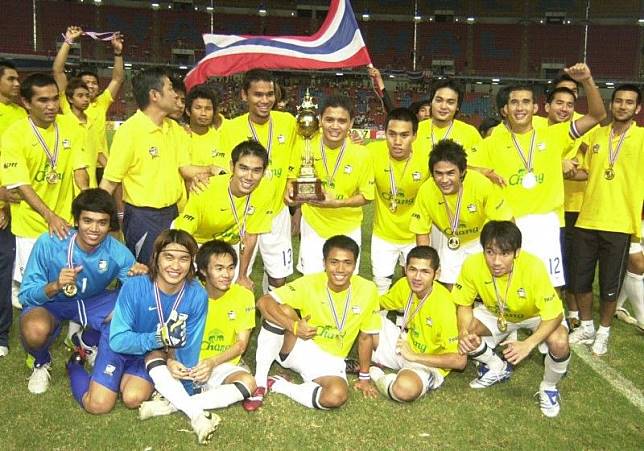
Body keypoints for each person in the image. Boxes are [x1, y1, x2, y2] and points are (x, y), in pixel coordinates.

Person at [468, 63, 606, 289]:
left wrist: (587, 80)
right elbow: (463, 170)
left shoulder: (555, 135)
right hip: (509, 221)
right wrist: (483, 171)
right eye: (514, 102)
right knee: (507, 283)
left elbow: (597, 115)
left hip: (546, 222)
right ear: (505, 109)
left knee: (549, 284)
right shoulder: (491, 143)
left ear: (535, 107)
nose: (520, 107)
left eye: (525, 102)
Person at [19, 188, 146, 394]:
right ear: (76, 220)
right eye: (87, 221)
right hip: (52, 303)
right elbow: (25, 295)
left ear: (110, 225)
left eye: (102, 222)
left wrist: (142, 279)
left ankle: (87, 340)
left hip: (92, 301)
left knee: (132, 312)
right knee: (35, 329)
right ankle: (41, 362)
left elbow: (137, 296)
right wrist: (55, 285)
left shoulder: (118, 252)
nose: (94, 229)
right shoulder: (49, 243)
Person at [107, 229, 218, 444]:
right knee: (98, 404)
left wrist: (183, 383)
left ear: (192, 263)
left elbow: (190, 344)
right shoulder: (134, 286)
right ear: (156, 257)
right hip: (122, 342)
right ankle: (77, 361)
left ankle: (195, 415)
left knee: (132, 398)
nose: (176, 266)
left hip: (156, 352)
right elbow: (118, 340)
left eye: (184, 259)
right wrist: (158, 339)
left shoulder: (197, 294)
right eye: (169, 257)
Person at [246, 235, 381, 411]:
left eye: (347, 263)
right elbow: (263, 302)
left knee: (336, 395)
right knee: (281, 310)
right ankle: (260, 381)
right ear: (324, 263)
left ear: (355, 265)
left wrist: (364, 377)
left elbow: (366, 336)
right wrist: (294, 326)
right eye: (334, 262)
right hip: (298, 344)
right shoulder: (310, 283)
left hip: (332, 360)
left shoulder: (368, 290)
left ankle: (279, 384)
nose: (340, 269)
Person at [99, 67, 218, 264]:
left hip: (172, 213)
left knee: (169, 269)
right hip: (143, 216)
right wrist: (95, 216)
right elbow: (110, 181)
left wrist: (211, 169)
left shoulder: (174, 129)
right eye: (170, 89)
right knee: (144, 270)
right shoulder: (130, 132)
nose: (176, 95)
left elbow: (185, 168)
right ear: (154, 95)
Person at [453, 221, 570, 418]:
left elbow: (555, 314)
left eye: (504, 253)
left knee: (559, 342)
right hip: (497, 312)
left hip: (535, 315)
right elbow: (463, 304)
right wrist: (463, 331)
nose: (496, 261)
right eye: (490, 252)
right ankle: (496, 366)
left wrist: (528, 344)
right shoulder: (472, 264)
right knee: (462, 331)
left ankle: (549, 387)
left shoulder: (533, 266)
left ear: (517, 252)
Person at [0, 73, 90, 313]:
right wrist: (50, 216)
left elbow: (79, 170)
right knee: (36, 290)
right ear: (26, 103)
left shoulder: (69, 126)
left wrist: (89, 201)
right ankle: (35, 330)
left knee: (71, 282)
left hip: (67, 223)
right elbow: (21, 185)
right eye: (43, 100)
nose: (51, 106)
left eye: (54, 99)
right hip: (31, 226)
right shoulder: (14, 135)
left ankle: (76, 330)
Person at [137, 240, 257, 419]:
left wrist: (212, 363)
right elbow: (173, 335)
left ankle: (173, 405)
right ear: (203, 270)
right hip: (187, 361)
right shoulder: (186, 294)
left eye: (231, 268)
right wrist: (171, 360)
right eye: (219, 268)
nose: (227, 274)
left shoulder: (244, 296)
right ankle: (186, 397)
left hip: (220, 363)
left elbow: (241, 345)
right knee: (153, 357)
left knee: (248, 383)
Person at [568, 84, 643, 355]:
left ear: (637, 108)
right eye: (618, 101)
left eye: (629, 102)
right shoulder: (597, 135)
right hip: (587, 219)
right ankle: (587, 326)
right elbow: (586, 172)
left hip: (619, 222)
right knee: (580, 281)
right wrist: (563, 170)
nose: (622, 106)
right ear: (611, 104)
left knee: (610, 285)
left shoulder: (642, 138)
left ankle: (604, 332)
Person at [219, 69, 297, 291]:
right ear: (245, 95)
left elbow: (301, 149)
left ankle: (271, 312)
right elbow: (224, 170)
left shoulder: (288, 122)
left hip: (276, 212)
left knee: (279, 278)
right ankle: (236, 311)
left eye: (270, 94)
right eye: (258, 94)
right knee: (234, 276)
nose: (265, 100)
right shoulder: (231, 128)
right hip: (242, 213)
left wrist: (291, 179)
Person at [286, 95, 375, 274]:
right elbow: (292, 178)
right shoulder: (305, 145)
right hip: (313, 226)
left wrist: (337, 203)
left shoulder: (362, 154)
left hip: (348, 228)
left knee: (342, 280)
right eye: (329, 120)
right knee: (311, 280)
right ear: (320, 120)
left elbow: (367, 196)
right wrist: (291, 193)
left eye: (342, 121)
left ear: (351, 123)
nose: (335, 126)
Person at [410, 140, 512, 289]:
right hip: (449, 240)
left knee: (487, 288)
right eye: (438, 174)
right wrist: (425, 265)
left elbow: (506, 222)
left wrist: (506, 254)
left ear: (463, 171)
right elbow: (422, 232)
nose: (444, 180)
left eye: (450, 173)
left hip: (480, 240)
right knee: (452, 290)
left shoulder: (481, 184)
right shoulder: (426, 191)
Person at [368, 246, 465, 402]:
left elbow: (460, 361)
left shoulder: (444, 306)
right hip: (404, 345)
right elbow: (376, 304)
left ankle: (379, 376)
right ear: (405, 269)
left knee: (404, 389)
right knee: (367, 318)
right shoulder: (404, 285)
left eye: (425, 272)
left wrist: (414, 356)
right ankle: (373, 364)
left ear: (436, 274)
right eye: (413, 270)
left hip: (428, 362)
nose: (417, 277)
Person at [174, 140, 272, 287]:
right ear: (232, 166)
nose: (249, 176)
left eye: (256, 171)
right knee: (191, 287)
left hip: (231, 243)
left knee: (234, 287)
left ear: (263, 172)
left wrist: (242, 276)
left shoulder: (265, 191)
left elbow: (250, 235)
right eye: (243, 168)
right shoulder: (205, 188)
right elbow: (184, 231)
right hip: (197, 241)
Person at [368, 108, 429, 294]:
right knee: (380, 285)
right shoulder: (371, 152)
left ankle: (407, 310)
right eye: (392, 134)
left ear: (414, 136)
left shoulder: (427, 158)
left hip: (415, 234)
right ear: (384, 133)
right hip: (383, 233)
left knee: (415, 284)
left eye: (404, 135)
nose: (397, 141)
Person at [52, 25, 124, 182]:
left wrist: (118, 53)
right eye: (86, 83)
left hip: (101, 165)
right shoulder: (68, 102)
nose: (91, 86)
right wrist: (68, 41)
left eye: (94, 83)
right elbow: (58, 71)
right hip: (76, 164)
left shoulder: (101, 102)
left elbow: (117, 79)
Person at [0, 59, 25, 354]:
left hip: (12, 206)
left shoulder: (20, 114)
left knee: (4, 267)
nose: (17, 84)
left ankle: (1, 334)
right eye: (11, 79)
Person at [415, 79, 481, 156]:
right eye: (439, 100)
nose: (443, 106)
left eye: (450, 102)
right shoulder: (415, 130)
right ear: (431, 103)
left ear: (457, 107)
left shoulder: (470, 133)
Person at [185, 84, 227, 170]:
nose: (203, 113)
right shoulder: (180, 136)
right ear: (188, 111)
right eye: (198, 108)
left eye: (208, 109)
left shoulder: (222, 137)